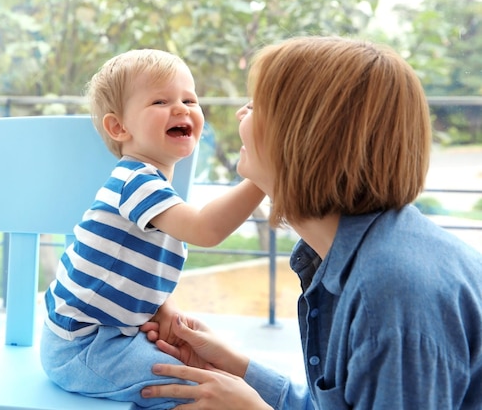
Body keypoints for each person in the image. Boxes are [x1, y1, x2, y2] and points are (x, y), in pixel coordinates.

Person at [140, 36, 482, 409]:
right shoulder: (355, 256)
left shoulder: (392, 295)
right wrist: (237, 369)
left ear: (303, 136)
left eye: (256, 106)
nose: (240, 114)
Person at [39, 48, 265, 409]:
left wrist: (164, 307)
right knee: (201, 393)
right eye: (161, 100)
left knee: (214, 381)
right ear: (119, 127)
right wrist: (264, 176)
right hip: (86, 347)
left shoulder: (149, 185)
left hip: (106, 336)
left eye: (189, 99)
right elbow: (206, 230)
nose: (182, 108)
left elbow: (135, 263)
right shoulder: (136, 182)